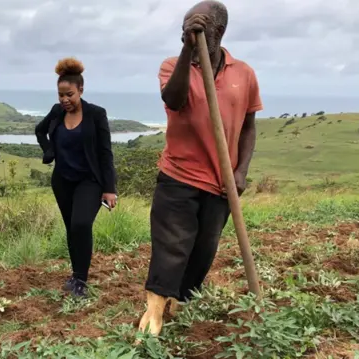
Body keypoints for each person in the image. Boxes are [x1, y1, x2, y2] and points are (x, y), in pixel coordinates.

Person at [138, 0, 262, 335]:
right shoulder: (171, 66)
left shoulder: (244, 74)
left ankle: (180, 304)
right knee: (171, 246)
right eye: (185, 28)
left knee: (203, 251)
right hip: (178, 176)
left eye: (199, 29)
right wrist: (187, 51)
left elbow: (249, 127)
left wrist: (240, 172)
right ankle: (153, 314)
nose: (189, 34)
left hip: (221, 183)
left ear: (218, 32)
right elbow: (173, 100)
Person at [35, 57, 118, 298]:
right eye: (60, 95)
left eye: (69, 94)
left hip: (90, 181)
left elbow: (105, 153)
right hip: (62, 181)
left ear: (81, 89)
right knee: (72, 229)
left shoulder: (96, 114)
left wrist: (109, 188)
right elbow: (40, 131)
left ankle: (81, 279)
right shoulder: (57, 111)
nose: (64, 100)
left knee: (81, 224)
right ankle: (76, 274)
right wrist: (48, 151)